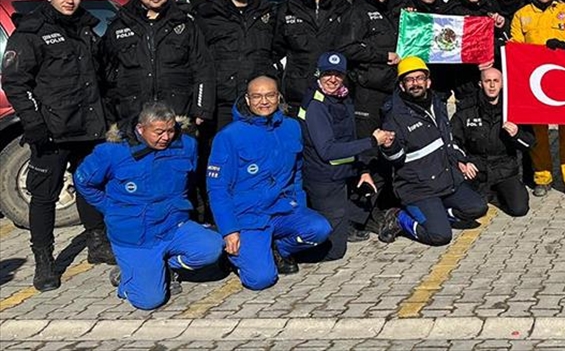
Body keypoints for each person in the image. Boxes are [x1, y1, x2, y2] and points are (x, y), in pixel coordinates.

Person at [2, 0, 113, 287]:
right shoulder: (32, 32)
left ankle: (97, 243)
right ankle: (44, 260)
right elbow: (14, 81)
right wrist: (34, 122)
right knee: (43, 196)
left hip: (87, 125)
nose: (70, 1)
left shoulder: (85, 28)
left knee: (91, 185)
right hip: (52, 129)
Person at [74, 102, 223, 310]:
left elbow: (189, 180)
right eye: (159, 132)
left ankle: (163, 267)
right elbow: (83, 181)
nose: (166, 137)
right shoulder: (112, 152)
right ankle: (129, 278)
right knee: (149, 301)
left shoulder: (186, 145)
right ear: (141, 129)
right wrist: (111, 208)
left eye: (170, 131)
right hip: (135, 235)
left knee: (212, 248)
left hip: (172, 226)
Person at [208, 75, 332, 289]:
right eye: (256, 96)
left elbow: (297, 173)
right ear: (247, 100)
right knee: (260, 280)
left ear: (278, 97)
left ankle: (279, 248)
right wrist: (229, 230)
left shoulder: (291, 128)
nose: (263, 102)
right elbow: (218, 189)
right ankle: (236, 253)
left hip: (282, 210)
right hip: (248, 216)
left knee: (319, 229)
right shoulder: (229, 136)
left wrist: (299, 207)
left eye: (269, 95)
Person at [377, 57, 489, 245]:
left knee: (478, 209)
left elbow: (447, 140)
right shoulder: (395, 115)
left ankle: (439, 214)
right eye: (409, 80)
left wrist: (459, 160)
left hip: (446, 180)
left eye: (419, 78)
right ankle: (399, 218)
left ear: (428, 82)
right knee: (440, 237)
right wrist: (389, 147)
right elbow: (395, 159)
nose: (415, 84)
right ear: (402, 86)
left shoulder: (437, 103)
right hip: (419, 188)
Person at [299, 52, 393, 260]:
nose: (332, 79)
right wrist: (372, 141)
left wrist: (363, 170)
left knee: (337, 246)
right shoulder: (316, 105)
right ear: (319, 75)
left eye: (337, 74)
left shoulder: (343, 98)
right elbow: (328, 150)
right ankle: (285, 250)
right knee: (335, 251)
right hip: (324, 180)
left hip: (341, 175)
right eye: (327, 74)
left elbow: (348, 137)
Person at [101, 0, 215, 125]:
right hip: (134, 116)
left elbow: (203, 68)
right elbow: (107, 74)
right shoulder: (119, 25)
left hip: (178, 114)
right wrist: (112, 115)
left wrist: (202, 109)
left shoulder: (185, 23)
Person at [510, 0, 565, 199]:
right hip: (535, 81)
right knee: (538, 133)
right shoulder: (522, 15)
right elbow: (516, 44)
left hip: (562, 80)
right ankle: (542, 178)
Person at [192, 0, 278, 128]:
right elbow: (200, 58)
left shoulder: (267, 13)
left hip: (258, 99)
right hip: (222, 101)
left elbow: (276, 49)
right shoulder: (208, 15)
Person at [450, 67, 536, 217]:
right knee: (474, 208)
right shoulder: (467, 110)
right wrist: (462, 162)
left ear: (502, 84)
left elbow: (530, 144)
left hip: (504, 168)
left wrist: (516, 134)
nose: (491, 85)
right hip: (476, 169)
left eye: (496, 81)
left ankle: (500, 192)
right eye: (487, 81)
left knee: (519, 210)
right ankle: (485, 192)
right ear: (480, 84)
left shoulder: (512, 109)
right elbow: (452, 141)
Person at [272, 0, 350, 108]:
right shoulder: (287, 9)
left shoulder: (342, 8)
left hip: (333, 88)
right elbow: (276, 49)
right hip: (298, 91)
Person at [340, 0, 404, 138]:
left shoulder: (400, 8)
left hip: (395, 85)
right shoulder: (358, 11)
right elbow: (346, 47)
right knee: (369, 139)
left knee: (395, 137)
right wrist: (382, 56)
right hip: (368, 88)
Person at [440, 0, 505, 97]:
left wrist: (500, 26)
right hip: (464, 78)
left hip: (489, 75)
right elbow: (445, 48)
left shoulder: (491, 6)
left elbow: (500, 40)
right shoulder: (450, 10)